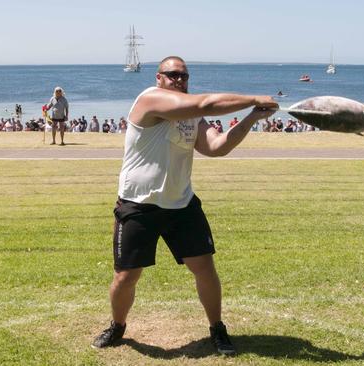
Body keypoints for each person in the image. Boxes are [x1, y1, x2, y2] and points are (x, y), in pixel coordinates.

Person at [91, 56, 277, 355]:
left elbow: (217, 147)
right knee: (126, 276)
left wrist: (252, 117)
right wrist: (252, 98)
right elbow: (204, 104)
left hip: (181, 205)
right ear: (159, 78)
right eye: (173, 75)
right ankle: (118, 325)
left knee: (204, 268)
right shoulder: (149, 100)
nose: (180, 80)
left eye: (184, 76)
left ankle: (217, 328)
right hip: (139, 205)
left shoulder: (191, 115)